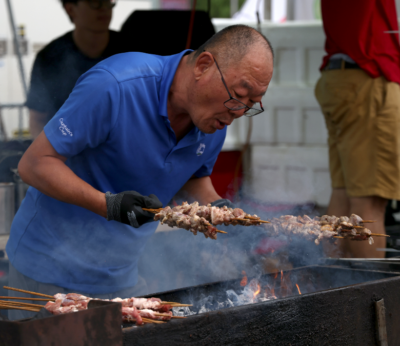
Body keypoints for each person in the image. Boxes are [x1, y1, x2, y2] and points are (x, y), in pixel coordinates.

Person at [6, 24, 274, 319]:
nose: (238, 113)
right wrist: (108, 205)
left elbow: (191, 176)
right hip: (47, 272)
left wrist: (218, 209)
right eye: (238, 95)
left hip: (121, 278)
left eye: (251, 105)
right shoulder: (115, 86)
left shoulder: (213, 121)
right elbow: (34, 163)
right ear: (203, 65)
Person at [315, 0, 400, 258]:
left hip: (340, 77)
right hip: (367, 76)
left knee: (343, 194)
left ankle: (331, 286)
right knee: (369, 201)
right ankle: (370, 295)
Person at [26, 0, 123, 138]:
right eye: (95, 2)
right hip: (67, 152)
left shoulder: (132, 51)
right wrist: (48, 157)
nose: (104, 9)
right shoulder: (49, 58)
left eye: (108, 2)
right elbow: (37, 119)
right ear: (70, 9)